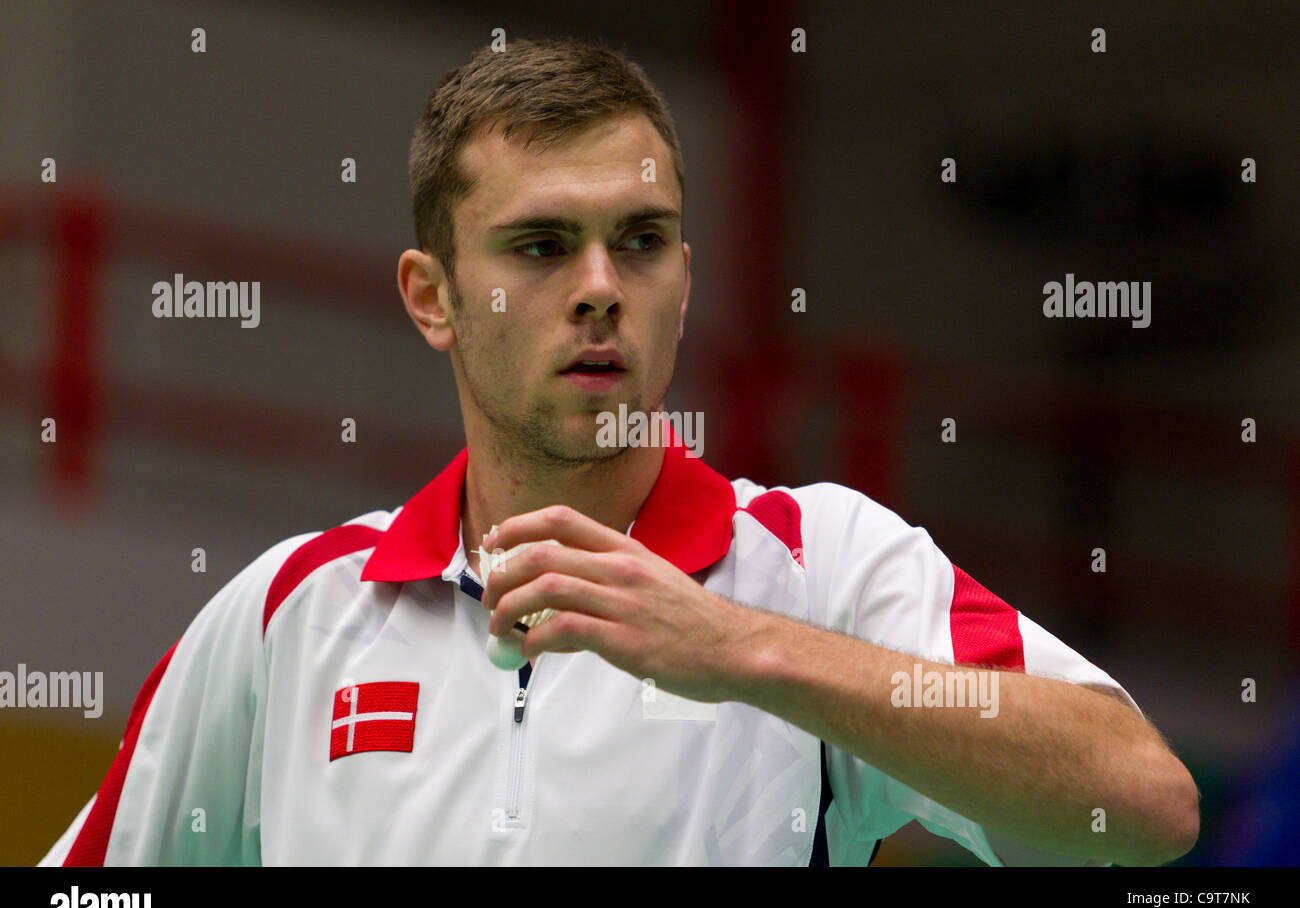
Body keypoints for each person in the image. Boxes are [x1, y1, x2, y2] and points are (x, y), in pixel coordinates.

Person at [39, 37, 1198, 866]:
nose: (600, 288)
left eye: (639, 242)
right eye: (541, 244)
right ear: (431, 296)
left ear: (684, 285)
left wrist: (739, 646)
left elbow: (1141, 804)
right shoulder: (285, 615)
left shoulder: (821, 562)